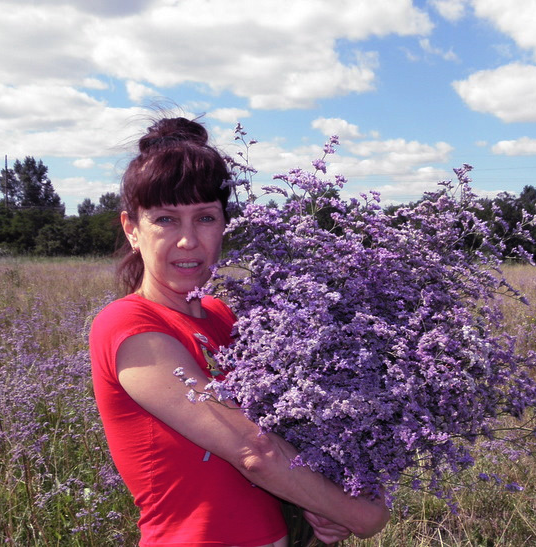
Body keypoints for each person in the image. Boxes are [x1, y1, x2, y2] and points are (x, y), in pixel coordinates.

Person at [89, 116, 389, 546]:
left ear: (224, 224)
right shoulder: (128, 324)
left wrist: (321, 506)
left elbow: (292, 428)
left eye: (205, 218)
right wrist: (362, 514)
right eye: (166, 220)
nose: (189, 241)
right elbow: (256, 450)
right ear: (132, 229)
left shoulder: (226, 316)